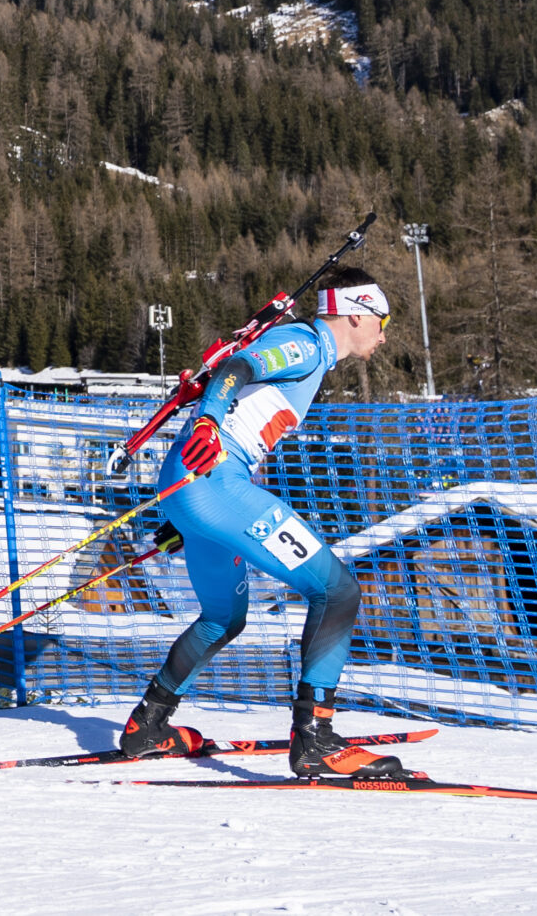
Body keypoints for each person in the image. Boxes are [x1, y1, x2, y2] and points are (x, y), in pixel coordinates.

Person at [114, 267, 406, 779]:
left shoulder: (312, 353)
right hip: (213, 480)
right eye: (383, 321)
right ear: (357, 313)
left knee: (222, 619)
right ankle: (314, 737)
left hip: (193, 486)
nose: (383, 335)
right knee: (337, 592)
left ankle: (148, 725)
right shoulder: (307, 344)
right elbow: (236, 367)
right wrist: (209, 422)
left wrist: (190, 512)